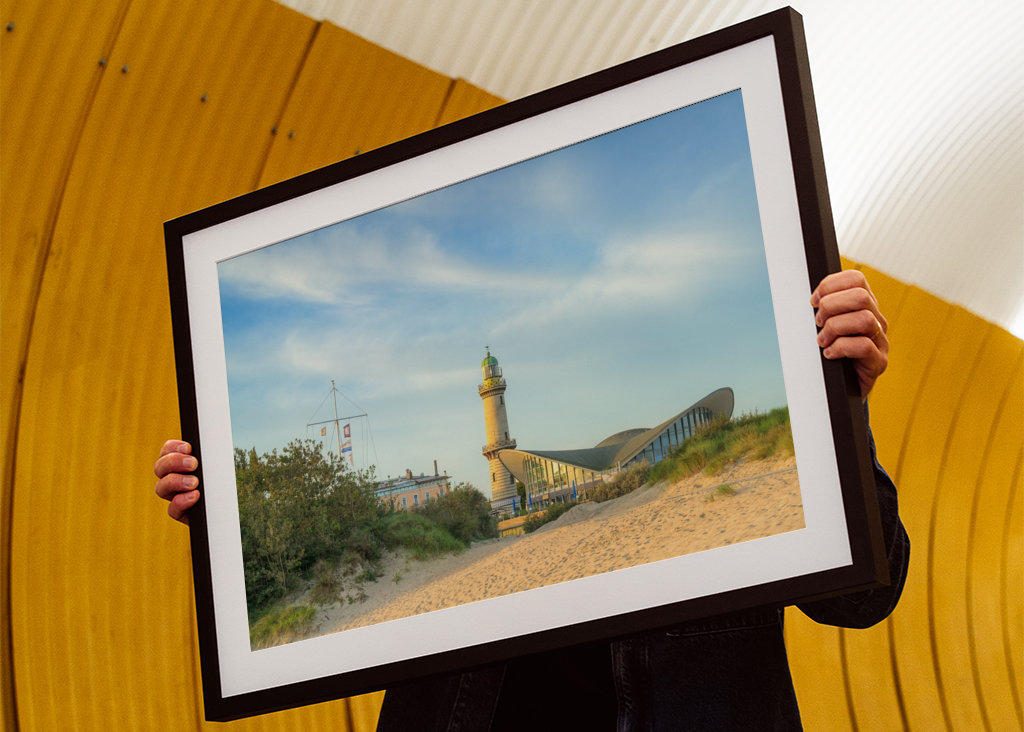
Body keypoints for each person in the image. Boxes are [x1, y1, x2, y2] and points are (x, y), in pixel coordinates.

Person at [155, 270, 909, 731]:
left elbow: (865, 596)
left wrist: (841, 405)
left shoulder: (780, 451)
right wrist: (233, 519)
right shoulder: (502, 502)